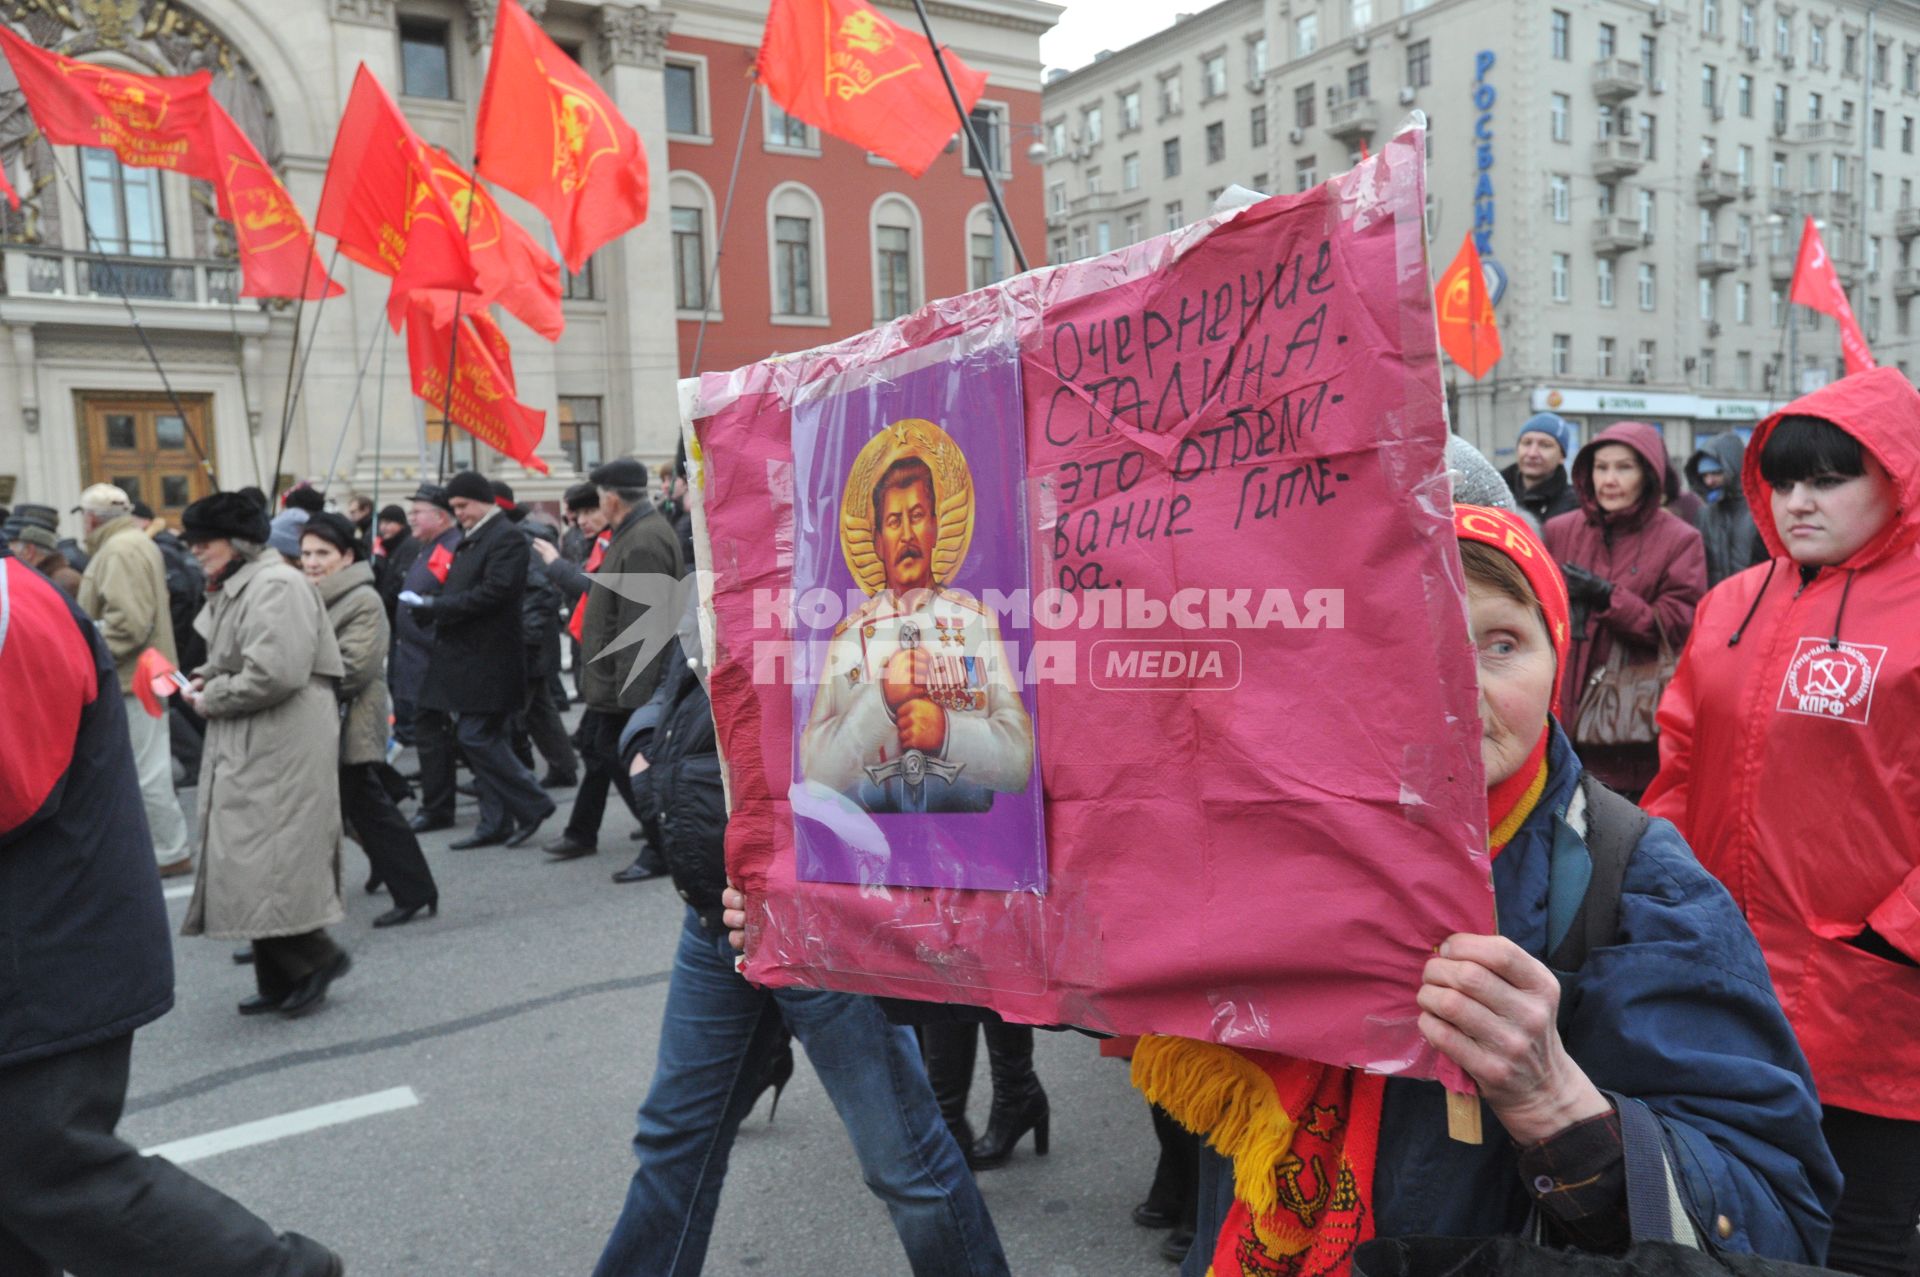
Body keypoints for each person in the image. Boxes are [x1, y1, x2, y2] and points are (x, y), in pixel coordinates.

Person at [923, 503, 1832, 1277]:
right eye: (1409, 641)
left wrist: (1557, 1105)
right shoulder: (1265, 841)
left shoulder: (1644, 888)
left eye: (1501, 643)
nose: (1452, 685)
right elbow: (1028, 968)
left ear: (1560, 666)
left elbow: (1780, 1219)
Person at [590, 617, 1010, 1277]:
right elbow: (676, 683)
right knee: (673, 1143)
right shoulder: (715, 541)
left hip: (817, 915)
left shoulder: (825, 563)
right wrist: (646, 751)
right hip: (714, 909)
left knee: (902, 1161)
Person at [0, 549, 344, 1277]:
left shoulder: (10, 601)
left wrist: (209, 692)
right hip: (43, 933)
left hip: (42, 946)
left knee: (46, 1170)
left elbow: (15, 782)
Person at [1646, 368, 1920, 1277]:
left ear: (1898, 475)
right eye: (1785, 478)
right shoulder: (1734, 602)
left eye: (1831, 478)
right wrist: (1663, 894)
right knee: (1737, 1215)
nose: (1799, 500)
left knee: (1865, 1232)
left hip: (1871, 996)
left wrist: (1895, 935)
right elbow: (1679, 762)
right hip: (1726, 981)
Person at [176, 493, 352, 1019]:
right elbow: (242, 655)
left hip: (280, 736)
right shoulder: (248, 582)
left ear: (235, 543)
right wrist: (210, 675)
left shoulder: (275, 584)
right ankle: (278, 975)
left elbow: (276, 672)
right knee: (254, 857)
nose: (196, 552)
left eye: (203, 542)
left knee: (270, 858)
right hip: (261, 732)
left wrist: (215, 697)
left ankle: (318, 960)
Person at [799, 434, 1033, 814]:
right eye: (893, 521)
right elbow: (816, 772)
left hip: (970, 845)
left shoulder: (976, 624)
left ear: (937, 527)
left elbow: (1021, 761)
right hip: (876, 841)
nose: (907, 534)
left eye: (918, 516)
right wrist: (881, 702)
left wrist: (947, 732)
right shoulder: (850, 636)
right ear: (876, 541)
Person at [1543, 422, 1705, 797]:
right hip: (1560, 710)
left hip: (1627, 724)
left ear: (1649, 475)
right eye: (1601, 467)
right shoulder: (1561, 530)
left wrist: (1607, 597)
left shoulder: (1680, 539)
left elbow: (1676, 625)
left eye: (1623, 468)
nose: (1609, 480)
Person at [301, 513, 440, 928]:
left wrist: (291, 674)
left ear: (346, 557)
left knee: (369, 809)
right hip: (322, 722)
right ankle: (401, 879)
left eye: (322, 553)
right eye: (305, 552)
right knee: (359, 811)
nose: (311, 561)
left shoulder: (361, 599)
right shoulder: (312, 594)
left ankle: (415, 889)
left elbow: (354, 668)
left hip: (349, 722)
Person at [402, 470, 554, 851]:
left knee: (476, 736)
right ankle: (494, 822)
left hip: (490, 659)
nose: (459, 514)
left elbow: (494, 593)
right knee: (482, 737)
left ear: (483, 500)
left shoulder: (506, 537)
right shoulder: (479, 536)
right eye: (453, 508)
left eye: (462, 505)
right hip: (470, 658)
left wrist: (438, 607)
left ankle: (533, 803)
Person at [541, 458, 679, 865]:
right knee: (601, 751)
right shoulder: (631, 533)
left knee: (622, 758)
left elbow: (644, 626)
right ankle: (589, 832)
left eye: (599, 496)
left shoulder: (642, 540)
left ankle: (662, 843)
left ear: (612, 497)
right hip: (615, 682)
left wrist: (631, 698)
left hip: (626, 687)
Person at [73, 483, 192, 877]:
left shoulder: (120, 549)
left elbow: (130, 624)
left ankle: (169, 851)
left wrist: (82, 643)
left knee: (147, 771)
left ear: (91, 518)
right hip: (143, 673)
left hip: (133, 678)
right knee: (149, 766)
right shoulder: (130, 543)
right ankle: (164, 848)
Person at [493, 480, 577, 789]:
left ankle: (516, 780)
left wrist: (525, 638)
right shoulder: (517, 535)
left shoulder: (522, 540)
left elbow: (542, 594)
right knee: (539, 710)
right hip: (531, 640)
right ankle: (563, 767)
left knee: (513, 715)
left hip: (529, 641)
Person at [391, 485, 462, 829]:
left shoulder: (449, 548)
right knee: (435, 738)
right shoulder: (429, 547)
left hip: (434, 660)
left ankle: (438, 808)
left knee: (436, 738)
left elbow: (447, 600)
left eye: (418, 511)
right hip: (419, 659)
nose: (411, 518)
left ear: (441, 516)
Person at [1684, 431, 1769, 587]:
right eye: (1704, 475)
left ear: (1734, 468)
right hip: (1716, 602)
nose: (1709, 481)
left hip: (1757, 601)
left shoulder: (1761, 511)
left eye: (1716, 473)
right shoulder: (1704, 515)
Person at [1500, 412, 1579, 525]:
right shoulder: (1495, 495)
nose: (1532, 453)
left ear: (1562, 456)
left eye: (1545, 445)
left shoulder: (1574, 505)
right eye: (1527, 443)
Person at [9, 523, 83, 596]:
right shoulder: (51, 577)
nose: (15, 559)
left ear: (29, 551)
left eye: (15, 552)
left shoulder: (64, 581)